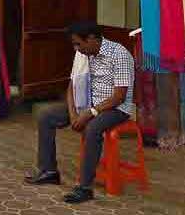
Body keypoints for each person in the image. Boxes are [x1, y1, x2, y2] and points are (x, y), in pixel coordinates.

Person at [25, 21, 134, 204]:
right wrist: (73, 112)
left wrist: (89, 113)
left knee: (92, 129)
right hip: (87, 104)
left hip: (114, 108)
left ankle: (85, 188)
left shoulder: (119, 54)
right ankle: (49, 171)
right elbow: (72, 86)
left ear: (91, 39)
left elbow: (119, 97)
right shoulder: (84, 54)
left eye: (78, 44)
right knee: (46, 116)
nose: (76, 48)